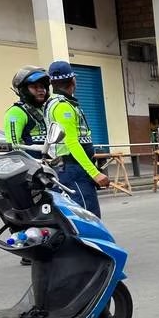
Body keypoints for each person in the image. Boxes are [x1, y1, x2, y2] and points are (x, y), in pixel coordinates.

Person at [44, 61, 109, 217]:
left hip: (72, 168)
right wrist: (94, 173)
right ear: (73, 80)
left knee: (81, 215)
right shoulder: (63, 107)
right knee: (88, 216)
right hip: (73, 169)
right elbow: (72, 143)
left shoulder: (62, 103)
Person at [4, 66, 50, 266]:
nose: (41, 90)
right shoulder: (16, 113)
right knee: (31, 211)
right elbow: (13, 145)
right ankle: (29, 249)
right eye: (35, 87)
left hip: (47, 169)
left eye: (43, 86)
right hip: (27, 172)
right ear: (23, 90)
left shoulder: (45, 111)